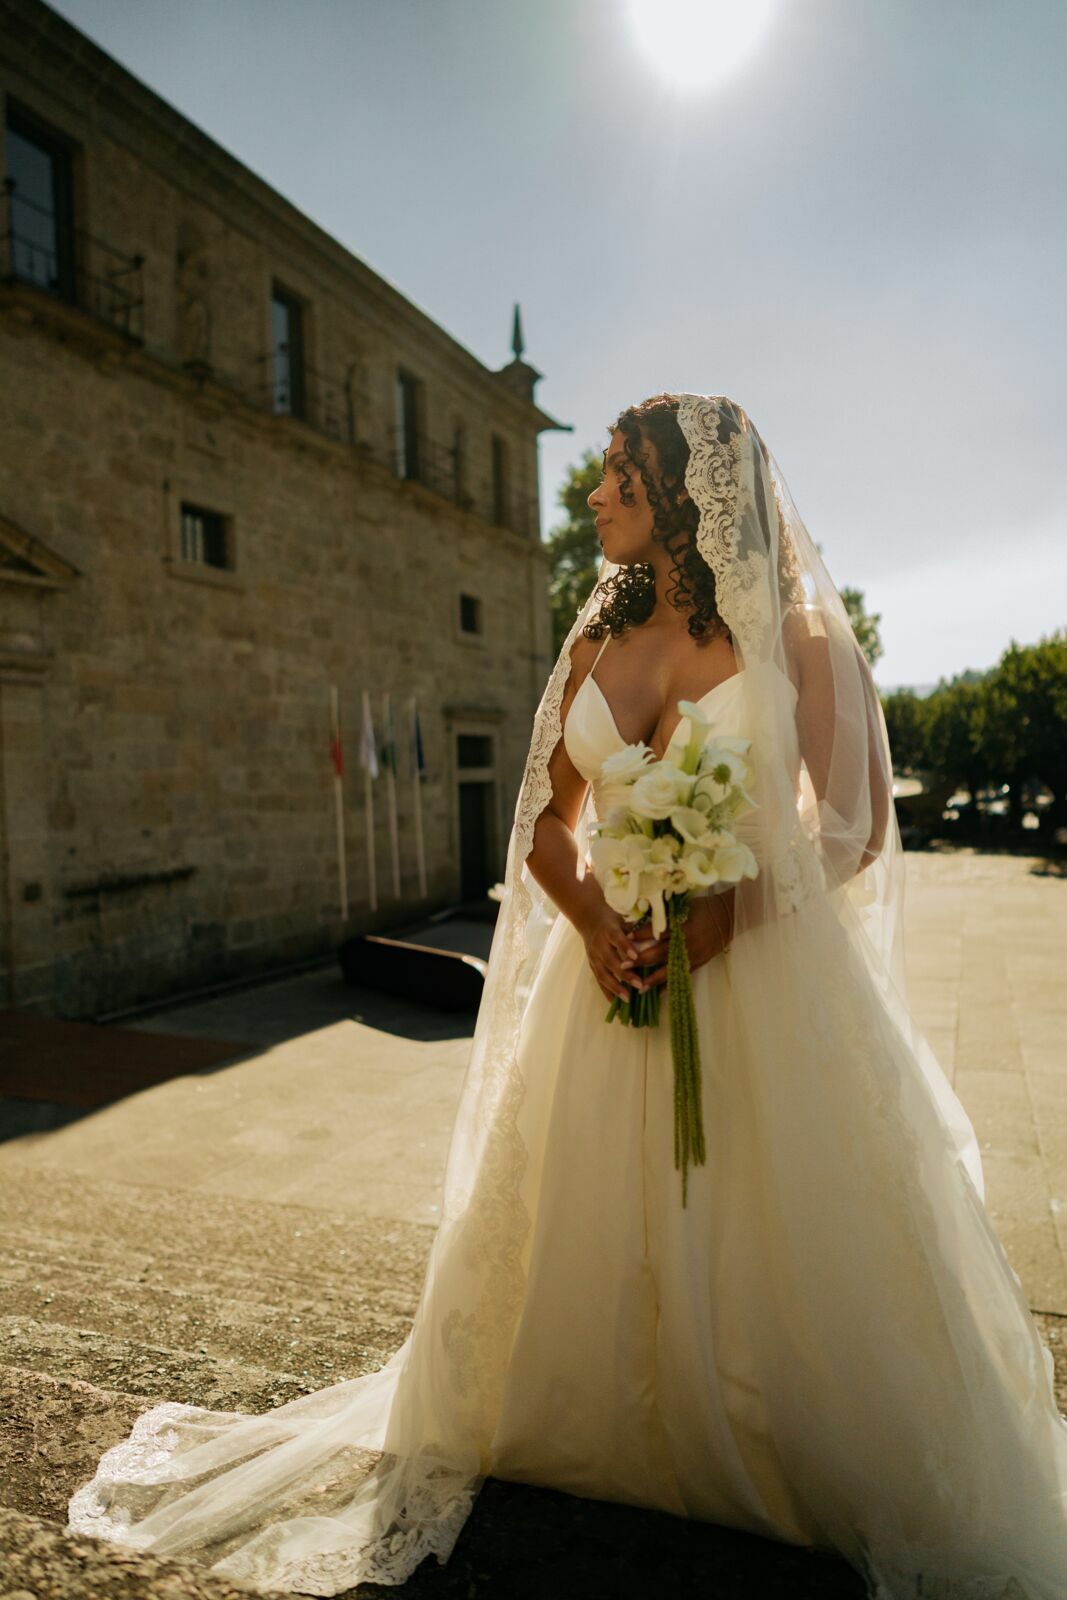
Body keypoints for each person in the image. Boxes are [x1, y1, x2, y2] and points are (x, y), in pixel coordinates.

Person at [67, 394, 1067, 1598]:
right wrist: (599, 920)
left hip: (762, 987)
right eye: (599, 477)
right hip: (603, 984)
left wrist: (721, 913)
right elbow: (542, 822)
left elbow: (848, 827)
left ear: (687, 499)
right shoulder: (596, 626)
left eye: (617, 480)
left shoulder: (800, 636)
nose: (591, 499)